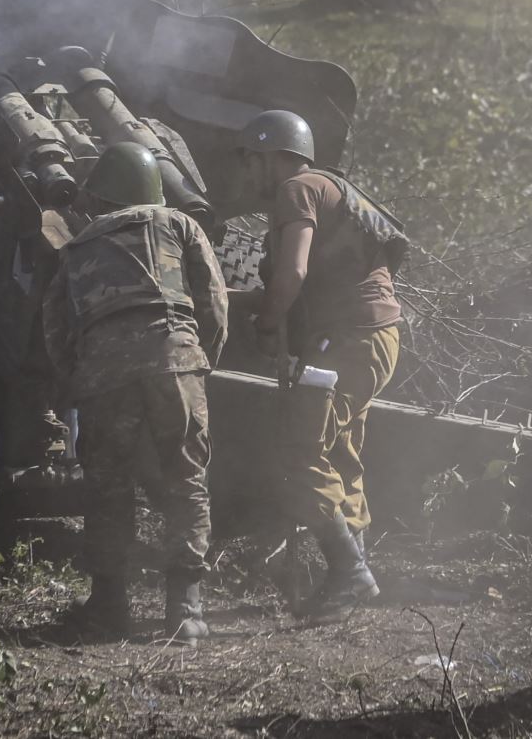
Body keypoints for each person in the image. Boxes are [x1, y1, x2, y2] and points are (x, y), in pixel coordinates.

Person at [42, 142, 227, 647]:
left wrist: (79, 377)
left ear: (100, 196)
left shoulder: (75, 247)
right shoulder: (177, 223)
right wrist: (198, 358)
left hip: (103, 376)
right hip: (174, 360)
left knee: (108, 488)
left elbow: (54, 328)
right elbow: (213, 299)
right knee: (186, 479)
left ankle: (108, 608)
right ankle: (185, 612)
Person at [231, 109, 406, 619]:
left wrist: (267, 325)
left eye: (251, 161)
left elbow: (292, 274)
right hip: (374, 338)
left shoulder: (297, 189)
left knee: (300, 450)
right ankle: (353, 576)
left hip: (347, 340)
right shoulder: (333, 187)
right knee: (340, 452)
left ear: (272, 155)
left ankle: (350, 575)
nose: (248, 173)